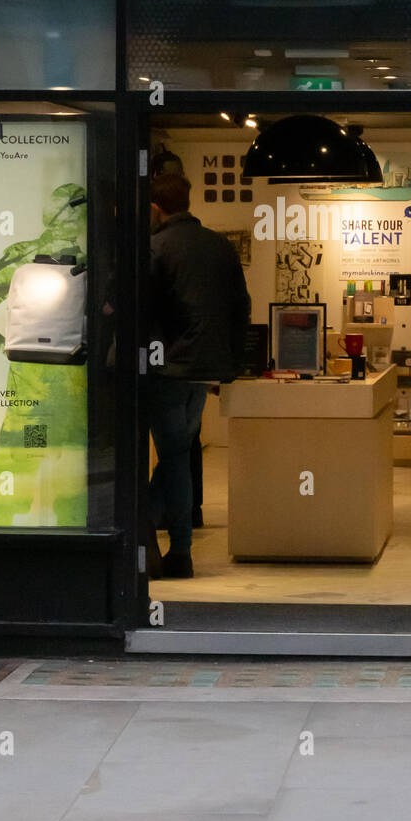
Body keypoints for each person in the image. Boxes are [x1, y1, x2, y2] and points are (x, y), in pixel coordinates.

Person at [148, 170, 251, 578]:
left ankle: (180, 552)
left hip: (170, 368)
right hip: (205, 370)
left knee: (173, 456)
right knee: (179, 450)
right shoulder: (219, 245)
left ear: (156, 208)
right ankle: (160, 533)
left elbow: (147, 312)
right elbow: (240, 306)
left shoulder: (156, 247)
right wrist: (229, 362)